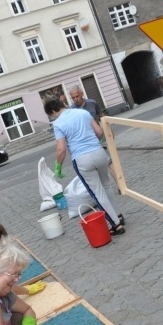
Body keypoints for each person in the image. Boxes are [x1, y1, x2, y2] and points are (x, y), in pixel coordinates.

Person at [44, 99, 125, 235]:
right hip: (99, 153)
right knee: (106, 186)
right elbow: (99, 132)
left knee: (97, 193)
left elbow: (61, 149)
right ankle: (118, 215)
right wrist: (92, 144)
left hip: (82, 159)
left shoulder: (58, 124)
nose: (52, 118)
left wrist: (58, 166)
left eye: (51, 115)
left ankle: (115, 225)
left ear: (53, 111)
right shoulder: (82, 112)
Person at [69, 85, 121, 190]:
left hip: (99, 137)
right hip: (85, 142)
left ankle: (120, 186)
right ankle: (101, 190)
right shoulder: (71, 110)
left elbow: (101, 116)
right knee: (94, 166)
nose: (76, 99)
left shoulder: (92, 103)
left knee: (109, 161)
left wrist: (109, 129)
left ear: (82, 94)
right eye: (73, 97)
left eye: (77, 96)